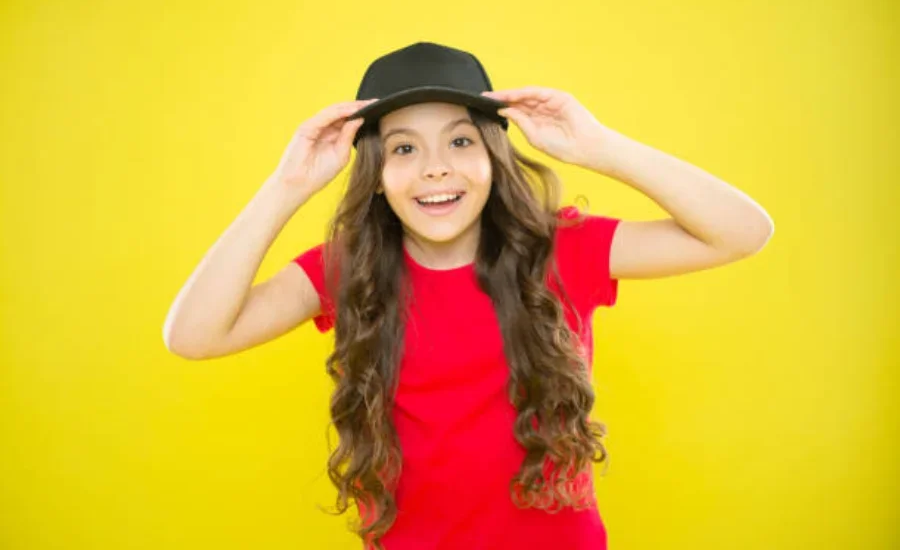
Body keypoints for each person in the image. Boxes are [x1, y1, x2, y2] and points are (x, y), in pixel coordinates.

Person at [163, 42, 774, 550]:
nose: (435, 168)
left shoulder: (559, 249)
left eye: (460, 142)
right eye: (404, 148)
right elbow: (193, 335)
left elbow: (743, 232)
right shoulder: (349, 270)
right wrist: (285, 186)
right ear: (374, 175)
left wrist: (602, 148)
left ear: (493, 158)